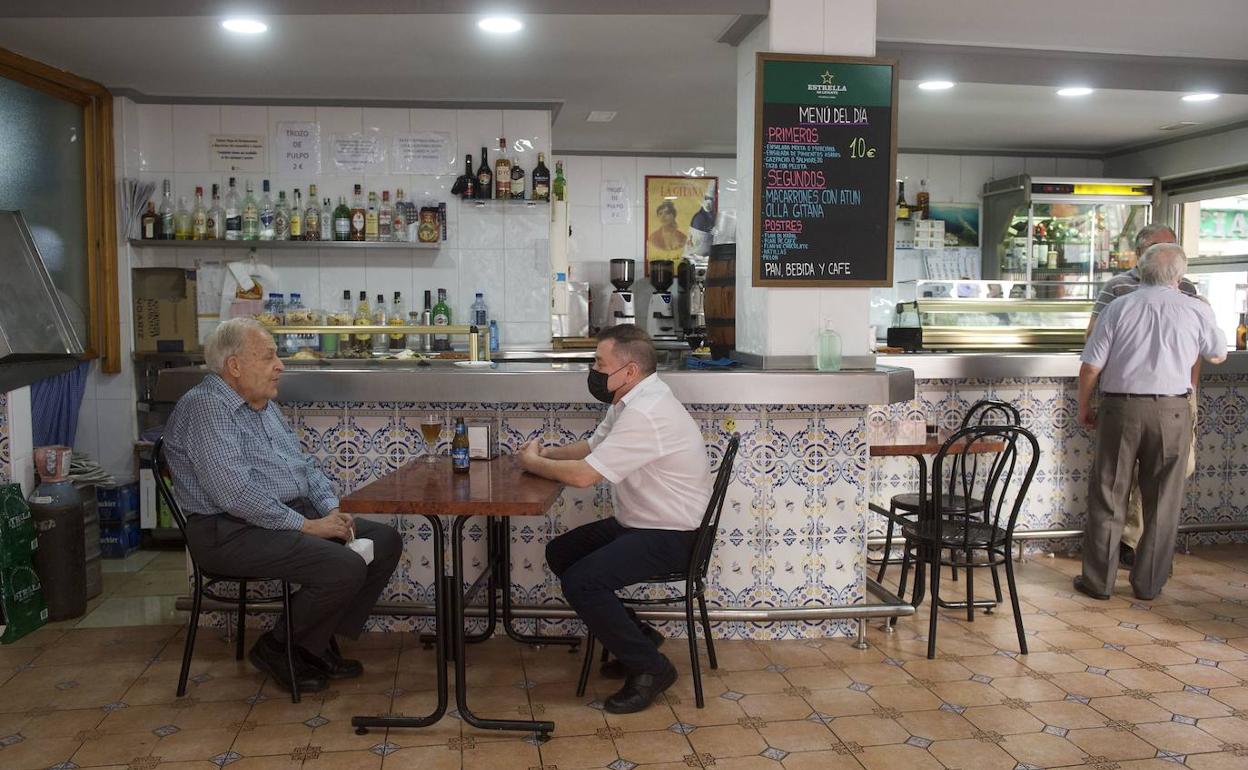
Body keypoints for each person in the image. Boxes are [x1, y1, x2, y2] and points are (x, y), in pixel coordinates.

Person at [163, 318, 402, 693]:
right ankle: (278, 647)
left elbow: (303, 465)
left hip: (278, 516)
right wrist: (309, 527)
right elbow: (234, 493)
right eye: (269, 357)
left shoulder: (261, 405)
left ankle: (311, 643)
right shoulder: (207, 409)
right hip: (226, 531)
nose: (281, 366)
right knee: (344, 565)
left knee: (383, 542)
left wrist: (329, 510)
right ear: (235, 366)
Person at [518, 325, 712, 714]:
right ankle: (638, 637)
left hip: (673, 535)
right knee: (562, 552)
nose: (592, 369)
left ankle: (651, 668)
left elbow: (585, 476)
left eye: (598, 363)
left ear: (629, 371)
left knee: (582, 582)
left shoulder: (646, 411)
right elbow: (593, 448)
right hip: (643, 522)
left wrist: (533, 464)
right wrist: (546, 454)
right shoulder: (631, 399)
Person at [1076, 244, 1226, 601]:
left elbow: (1090, 367)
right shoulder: (1196, 309)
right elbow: (1218, 354)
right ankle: (1148, 584)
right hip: (1173, 411)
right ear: (1179, 275)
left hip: (1120, 410)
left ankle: (1099, 583)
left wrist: (1084, 407)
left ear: (1140, 270)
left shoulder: (1118, 307)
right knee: (1163, 501)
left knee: (1109, 496)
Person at [1086, 224, 1201, 569]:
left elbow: (1201, 350)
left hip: (1176, 397)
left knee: (1163, 483)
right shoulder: (1117, 289)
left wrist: (1191, 392)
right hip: (1125, 396)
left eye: (1172, 249)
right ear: (1142, 255)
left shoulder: (1189, 291)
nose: (1168, 257)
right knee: (1121, 487)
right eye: (1160, 249)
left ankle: (1131, 553)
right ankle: (1129, 552)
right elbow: (1093, 344)